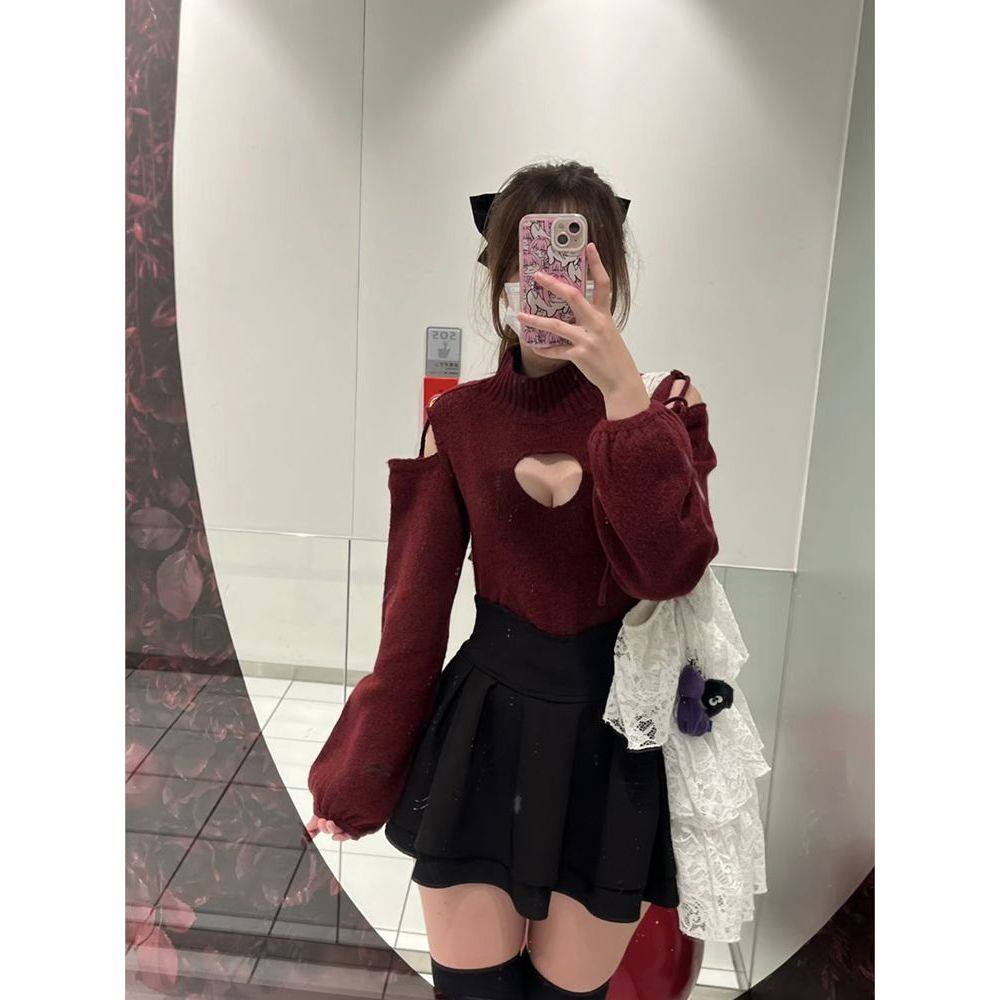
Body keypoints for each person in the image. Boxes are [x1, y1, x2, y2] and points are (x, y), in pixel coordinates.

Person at [306, 160, 719, 1000]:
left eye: (579, 265)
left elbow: (670, 569)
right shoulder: (458, 420)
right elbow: (412, 620)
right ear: (502, 275)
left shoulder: (665, 410)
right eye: (538, 262)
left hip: (613, 745)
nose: (557, 286)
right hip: (483, 733)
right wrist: (357, 776)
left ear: (610, 278)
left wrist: (623, 397)